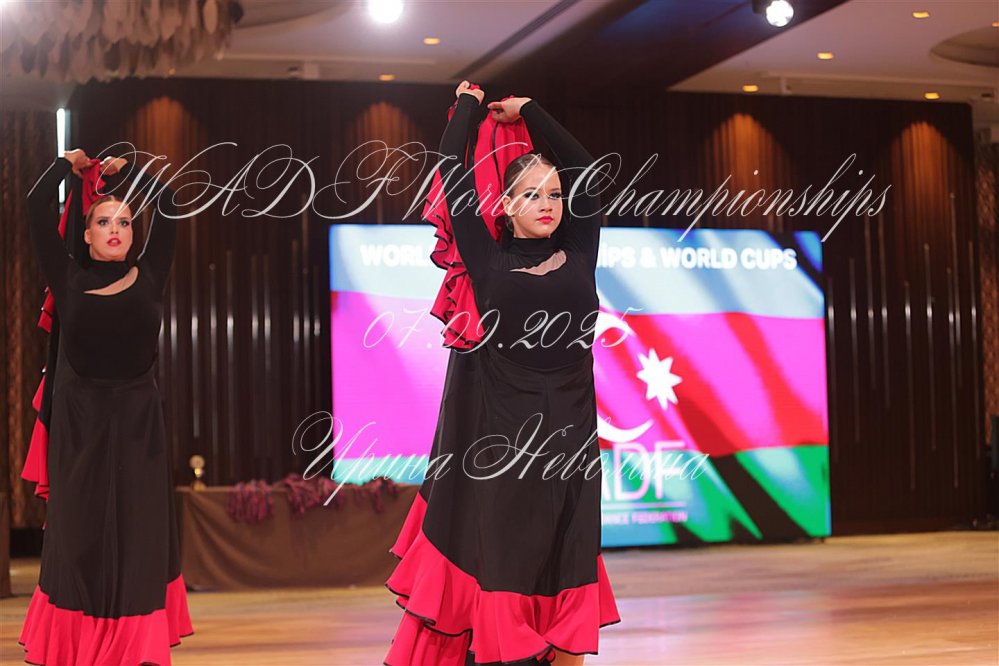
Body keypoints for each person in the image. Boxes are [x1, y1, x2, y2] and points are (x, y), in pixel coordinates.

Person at [384, 82, 620, 666]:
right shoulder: (487, 261)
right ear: (506, 205)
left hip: (572, 439)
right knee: (508, 558)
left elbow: (586, 171)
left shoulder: (581, 250)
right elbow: (451, 169)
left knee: (567, 556)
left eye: (555, 194)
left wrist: (531, 112)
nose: (548, 203)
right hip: (505, 442)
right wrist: (467, 107)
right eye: (532, 194)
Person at [19, 149, 193, 665]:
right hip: (80, 433)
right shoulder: (66, 276)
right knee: (79, 544)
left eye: (124, 221)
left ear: (133, 234)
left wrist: (131, 172)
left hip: (140, 431)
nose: (115, 229)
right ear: (87, 233)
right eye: (103, 221)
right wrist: (65, 165)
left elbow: (170, 202)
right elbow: (34, 206)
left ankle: (133, 650)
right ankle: (80, 649)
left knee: (138, 543)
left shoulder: (152, 273)